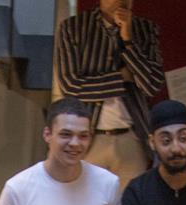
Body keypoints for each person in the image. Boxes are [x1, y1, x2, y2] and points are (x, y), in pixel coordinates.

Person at [55, 0, 163, 191]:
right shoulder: (74, 28)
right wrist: (121, 77)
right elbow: (71, 86)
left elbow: (152, 84)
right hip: (88, 137)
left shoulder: (145, 29)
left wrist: (128, 40)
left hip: (131, 137)